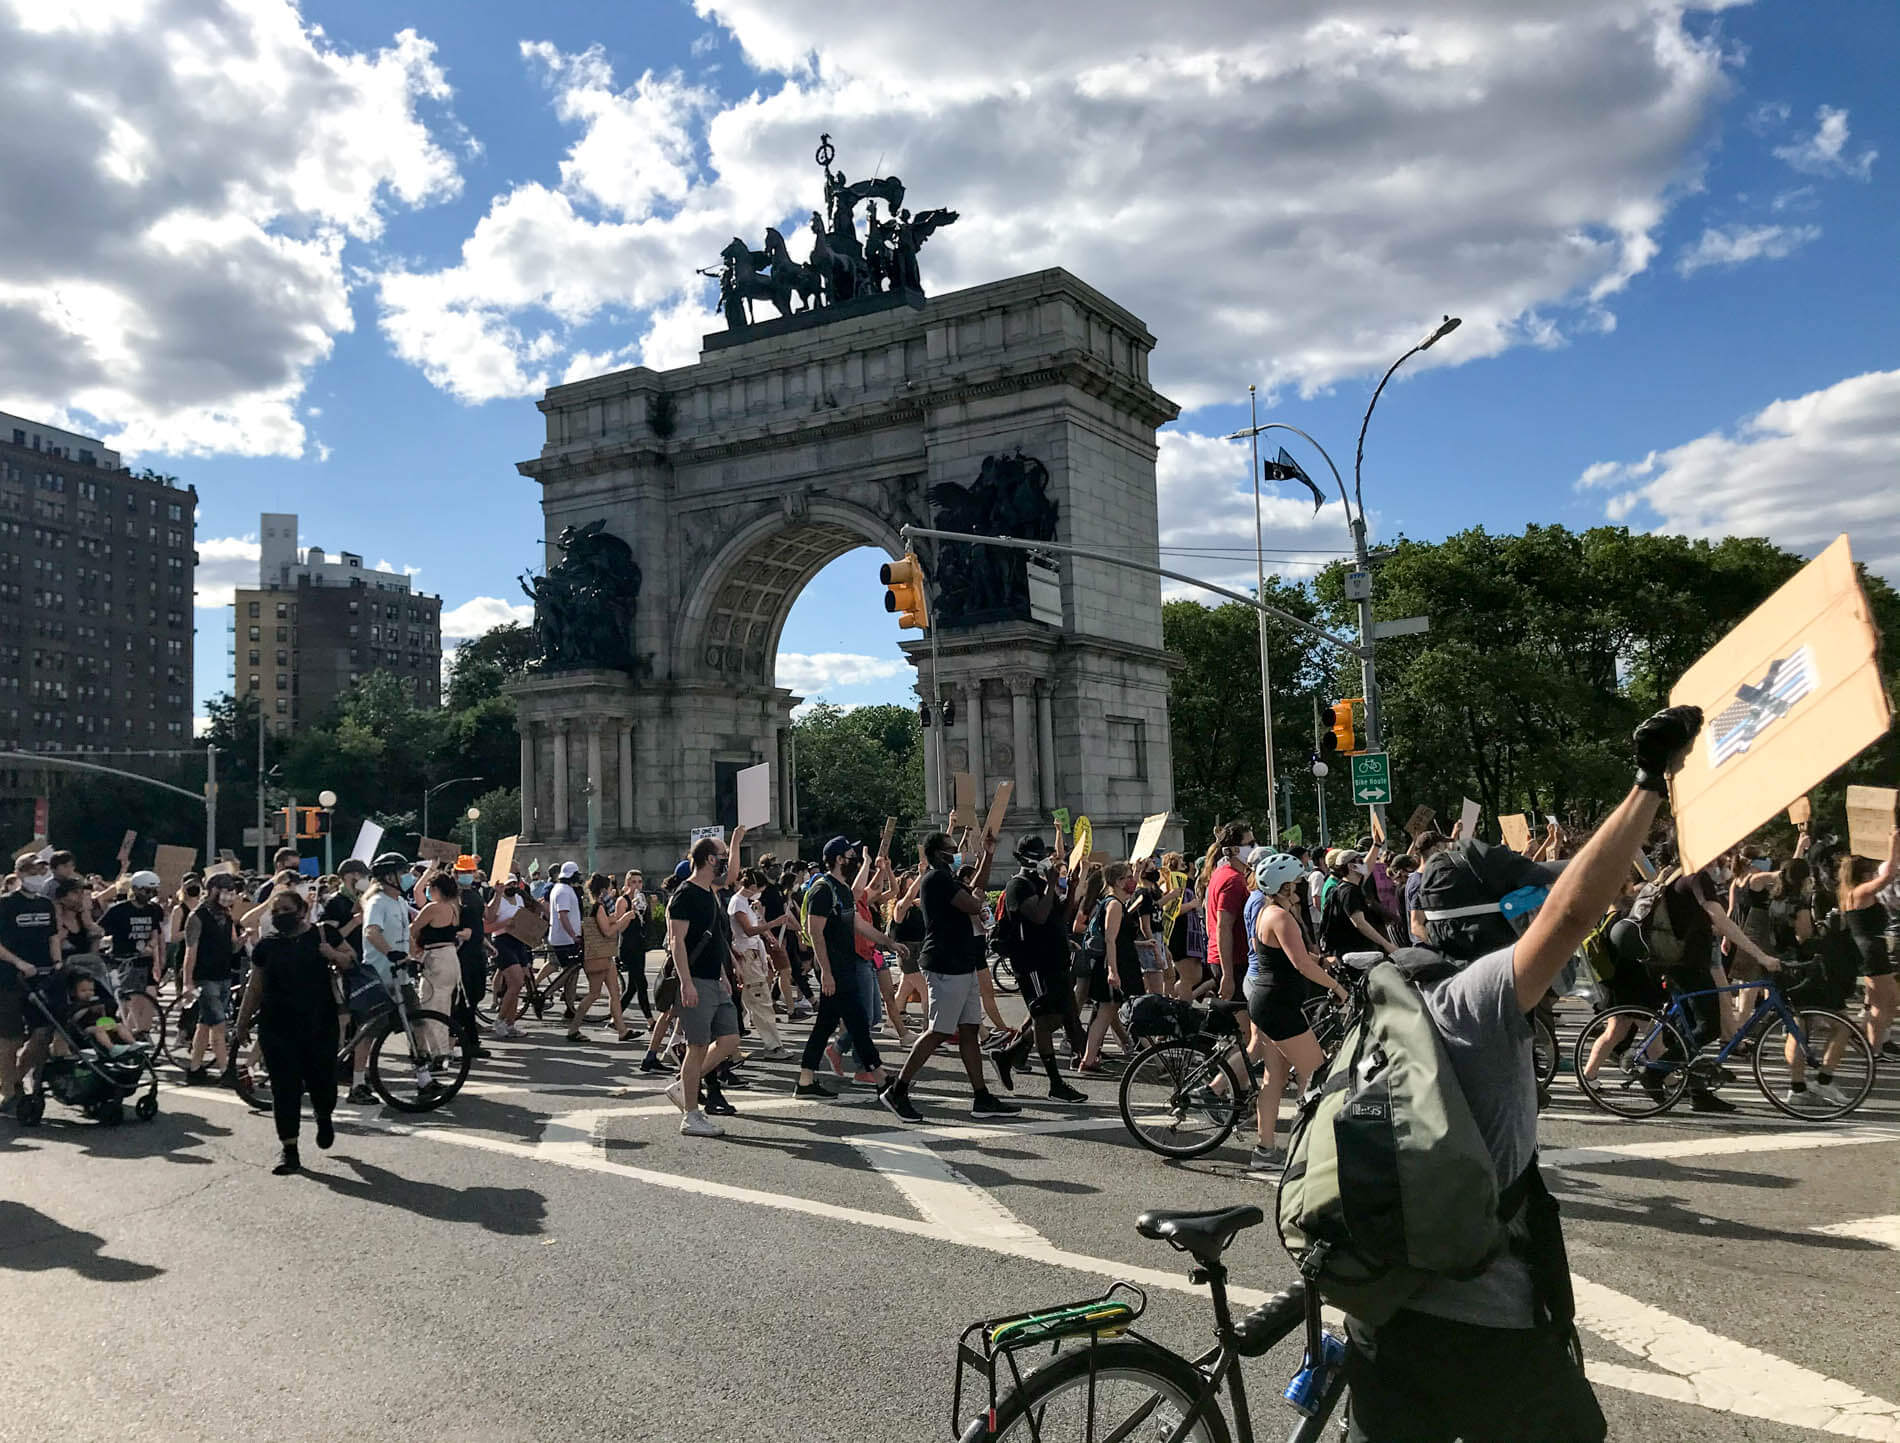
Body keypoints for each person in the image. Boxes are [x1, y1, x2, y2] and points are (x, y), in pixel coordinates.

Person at [1341, 710, 1714, 1443]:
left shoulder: (1389, 988)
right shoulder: (1478, 997)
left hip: (1381, 1315)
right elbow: (1575, 909)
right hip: (1484, 1325)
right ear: (1497, 921)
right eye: (1524, 906)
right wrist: (1647, 784)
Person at [882, 832, 1015, 1123]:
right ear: (938, 853)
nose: (957, 853)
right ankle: (898, 1090)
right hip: (945, 963)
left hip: (961, 962)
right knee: (939, 1031)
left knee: (969, 1029)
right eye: (952, 850)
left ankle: (981, 1097)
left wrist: (988, 855)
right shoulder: (936, 879)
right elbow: (972, 903)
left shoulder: (948, 878)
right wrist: (977, 900)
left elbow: (974, 889)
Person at [235, 887, 353, 1175]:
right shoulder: (267, 945)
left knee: (322, 1081)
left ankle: (324, 1117)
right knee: (283, 1088)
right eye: (275, 912)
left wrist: (333, 954)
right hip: (277, 1026)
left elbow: (352, 959)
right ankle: (289, 1150)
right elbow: (255, 987)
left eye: (286, 910)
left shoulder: (322, 934)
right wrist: (241, 1022)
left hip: (318, 1023)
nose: (280, 916)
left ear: (302, 911)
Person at [1244, 851, 1348, 1172]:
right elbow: (1300, 964)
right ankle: (1308, 1148)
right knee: (1316, 1074)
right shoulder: (1282, 917)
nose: (1302, 886)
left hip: (1268, 1001)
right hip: (1278, 1006)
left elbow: (1290, 958)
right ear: (1285, 886)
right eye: (1298, 882)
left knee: (1274, 1079)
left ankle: (1265, 1149)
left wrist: (1318, 962)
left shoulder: (1267, 911)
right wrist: (1338, 988)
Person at [796, 835, 901, 1101]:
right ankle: (880, 1079)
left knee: (825, 1026)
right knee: (858, 1022)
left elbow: (858, 924)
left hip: (845, 966)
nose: (853, 859)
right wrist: (827, 973)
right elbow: (815, 932)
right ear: (838, 859)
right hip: (836, 970)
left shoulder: (842, 889)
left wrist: (888, 942)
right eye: (850, 856)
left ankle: (805, 1081)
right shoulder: (823, 889)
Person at [992, 837, 1089, 1103]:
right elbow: (1038, 915)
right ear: (1024, 859)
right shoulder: (1018, 886)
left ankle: (1009, 1054)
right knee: (1044, 1020)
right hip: (1032, 963)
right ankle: (1055, 1084)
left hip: (1053, 960)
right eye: (1039, 856)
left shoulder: (1041, 884)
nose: (1045, 861)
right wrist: (1049, 886)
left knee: (1062, 1015)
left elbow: (1060, 916)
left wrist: (1070, 889)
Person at [666, 830, 747, 1136]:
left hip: (715, 979)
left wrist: (726, 975)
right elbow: (677, 942)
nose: (726, 862)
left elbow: (715, 938)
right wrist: (686, 982)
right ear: (710, 859)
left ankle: (683, 1086)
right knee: (697, 1046)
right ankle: (690, 1115)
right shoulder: (685, 895)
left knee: (730, 1040)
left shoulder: (711, 892)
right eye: (723, 856)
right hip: (696, 980)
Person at [352, 852, 414, 1103]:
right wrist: (391, 953)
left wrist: (413, 954)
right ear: (389, 876)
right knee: (368, 1033)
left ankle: (424, 1077)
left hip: (400, 973)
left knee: (417, 1024)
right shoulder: (377, 901)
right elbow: (371, 932)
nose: (407, 877)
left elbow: (405, 933)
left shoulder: (399, 901)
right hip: (379, 974)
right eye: (402, 872)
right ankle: (357, 1084)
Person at [1838, 828, 1900, 1056]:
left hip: (1871, 947)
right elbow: (1889, 875)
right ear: (1863, 874)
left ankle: (1866, 1040)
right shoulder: (1860, 892)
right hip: (1871, 949)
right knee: (1884, 1003)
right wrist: (1894, 844)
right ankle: (1873, 1049)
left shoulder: (1852, 892)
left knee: (1887, 1001)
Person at [180, 873, 244, 1085]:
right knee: (218, 1023)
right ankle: (226, 1071)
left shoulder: (226, 915)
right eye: (224, 889)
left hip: (224, 974)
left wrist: (244, 938)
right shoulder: (197, 916)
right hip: (205, 977)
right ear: (213, 889)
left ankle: (195, 1068)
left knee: (205, 1023)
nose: (229, 894)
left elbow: (233, 945)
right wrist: (188, 982)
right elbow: (191, 951)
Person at [99, 869, 167, 1043]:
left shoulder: (154, 909)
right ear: (136, 889)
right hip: (125, 961)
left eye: (153, 891)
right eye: (146, 891)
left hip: (146, 960)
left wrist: (157, 956)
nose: (150, 895)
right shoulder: (119, 911)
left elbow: (155, 933)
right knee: (133, 1002)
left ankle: (142, 1032)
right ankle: (135, 1036)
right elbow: (100, 931)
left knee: (150, 998)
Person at [728, 868, 788, 1060]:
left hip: (752, 954)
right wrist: (774, 923)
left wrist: (766, 931)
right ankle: (773, 1046)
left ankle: (732, 1050)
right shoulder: (738, 903)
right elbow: (749, 930)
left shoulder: (745, 903)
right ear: (753, 886)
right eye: (760, 888)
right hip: (746, 955)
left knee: (752, 1002)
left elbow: (755, 928)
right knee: (761, 1001)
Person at [573, 873, 639, 1043]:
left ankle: (622, 1031)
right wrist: (623, 918)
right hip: (597, 955)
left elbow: (608, 922)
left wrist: (620, 918)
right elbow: (607, 931)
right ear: (603, 890)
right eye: (610, 888)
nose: (612, 891)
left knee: (615, 992)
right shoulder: (598, 907)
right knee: (594, 993)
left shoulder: (592, 905)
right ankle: (573, 1028)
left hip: (604, 954)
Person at [485, 873, 536, 1039]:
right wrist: (505, 924)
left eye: (514, 883)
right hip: (502, 941)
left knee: (518, 984)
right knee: (516, 981)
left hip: (518, 941)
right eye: (508, 884)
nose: (511, 887)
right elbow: (487, 925)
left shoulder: (519, 900)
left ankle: (510, 1023)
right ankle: (500, 1019)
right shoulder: (497, 901)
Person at [545, 861, 585, 1019]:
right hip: (565, 939)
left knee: (572, 972)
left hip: (564, 937)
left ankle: (570, 1007)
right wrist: (573, 935)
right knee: (569, 972)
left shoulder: (561, 889)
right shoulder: (563, 891)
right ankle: (547, 994)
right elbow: (563, 915)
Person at [67, 974, 140, 1053]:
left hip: (98, 1023)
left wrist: (101, 1010)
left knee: (119, 1026)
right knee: (99, 1030)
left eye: (91, 990)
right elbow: (74, 1018)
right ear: (74, 992)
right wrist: (88, 1009)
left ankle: (133, 1043)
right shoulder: (76, 1004)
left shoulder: (96, 1001)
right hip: (84, 1028)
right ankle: (111, 1048)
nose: (88, 993)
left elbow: (103, 1016)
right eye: (83, 991)